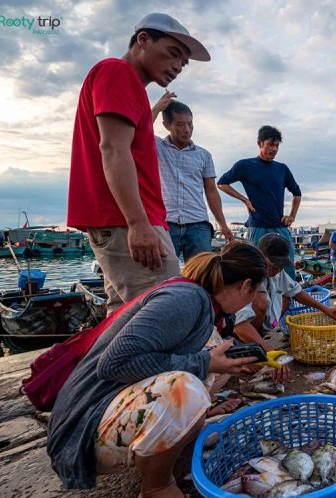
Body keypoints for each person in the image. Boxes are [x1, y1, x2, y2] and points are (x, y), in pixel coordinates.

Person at [47, 241, 268, 498]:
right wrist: (203, 364)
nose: (251, 303)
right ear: (246, 285)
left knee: (218, 354)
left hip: (111, 408)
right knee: (185, 387)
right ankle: (155, 491)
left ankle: (176, 432)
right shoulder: (186, 299)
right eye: (254, 294)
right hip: (84, 430)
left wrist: (215, 363)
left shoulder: (203, 303)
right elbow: (113, 365)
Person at [66, 13, 210, 314]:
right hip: (125, 219)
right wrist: (138, 223)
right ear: (143, 39)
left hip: (123, 219)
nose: (177, 68)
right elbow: (114, 149)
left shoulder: (132, 88)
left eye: (183, 64)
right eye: (173, 54)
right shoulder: (118, 72)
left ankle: (104, 363)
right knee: (168, 311)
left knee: (123, 314)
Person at [150, 95, 233, 260]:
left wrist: (223, 224)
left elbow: (211, 191)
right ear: (166, 125)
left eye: (190, 124)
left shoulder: (204, 155)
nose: (187, 129)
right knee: (163, 276)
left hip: (198, 225)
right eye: (180, 125)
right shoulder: (157, 147)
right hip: (167, 223)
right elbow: (139, 132)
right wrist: (157, 108)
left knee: (202, 276)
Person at [218, 125, 302, 279]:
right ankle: (261, 301)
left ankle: (286, 301)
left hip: (280, 227)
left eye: (277, 145)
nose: (274, 149)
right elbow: (222, 183)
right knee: (258, 270)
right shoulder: (245, 166)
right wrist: (244, 199)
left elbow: (297, 193)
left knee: (288, 270)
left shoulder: (282, 169)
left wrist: (292, 216)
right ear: (260, 143)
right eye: (270, 144)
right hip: (257, 226)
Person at [233, 233, 336, 351]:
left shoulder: (278, 272)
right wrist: (268, 350)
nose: (277, 270)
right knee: (261, 301)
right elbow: (239, 324)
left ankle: (258, 339)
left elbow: (296, 291)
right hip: (232, 330)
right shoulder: (247, 274)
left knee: (287, 300)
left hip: (262, 324)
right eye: (272, 266)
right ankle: (247, 345)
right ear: (261, 256)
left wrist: (324, 308)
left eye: (280, 266)